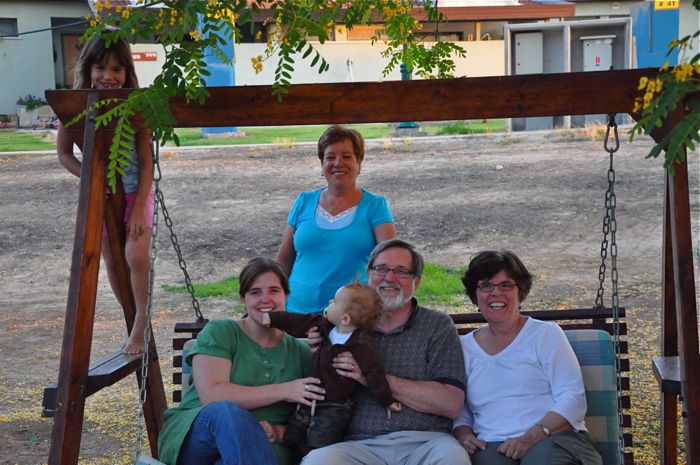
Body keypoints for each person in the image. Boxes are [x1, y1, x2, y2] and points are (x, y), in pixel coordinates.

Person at [301, 239, 470, 465]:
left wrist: (373, 377)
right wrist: (322, 349)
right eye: (381, 269)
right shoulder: (343, 326)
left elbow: (451, 404)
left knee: (452, 457)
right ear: (369, 274)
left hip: (427, 443)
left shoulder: (437, 325)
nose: (389, 278)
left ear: (416, 281)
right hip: (358, 446)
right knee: (318, 461)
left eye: (401, 271)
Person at [157, 258, 322, 465]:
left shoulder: (301, 353)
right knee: (227, 413)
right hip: (200, 437)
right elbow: (212, 395)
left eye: (273, 290)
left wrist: (279, 431)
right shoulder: (221, 332)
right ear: (243, 298)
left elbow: (320, 416)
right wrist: (285, 390)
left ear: (286, 295)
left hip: (266, 447)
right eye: (255, 292)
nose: (265, 299)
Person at [453, 251, 602, 465]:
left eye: (506, 285)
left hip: (552, 436)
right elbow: (461, 409)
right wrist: (464, 434)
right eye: (486, 286)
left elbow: (573, 398)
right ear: (474, 294)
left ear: (520, 291)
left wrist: (530, 437)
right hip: (491, 445)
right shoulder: (464, 347)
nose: (496, 293)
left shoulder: (545, 334)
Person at [56, 37, 153, 354]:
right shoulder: (75, 105)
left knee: (136, 255)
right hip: (101, 196)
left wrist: (138, 208)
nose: (108, 76)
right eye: (100, 68)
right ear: (88, 69)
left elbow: (146, 160)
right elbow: (65, 154)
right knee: (112, 259)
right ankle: (131, 316)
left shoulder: (136, 104)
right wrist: (92, 179)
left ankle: (142, 320)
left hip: (136, 192)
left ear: (127, 72)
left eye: (116, 69)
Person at [262, 282, 401, 454]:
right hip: (311, 396)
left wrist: (387, 401)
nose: (329, 302)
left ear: (345, 319)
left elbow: (375, 375)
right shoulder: (325, 326)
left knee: (320, 443)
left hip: (335, 406)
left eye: (334, 301)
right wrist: (272, 318)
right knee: (294, 433)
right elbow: (299, 320)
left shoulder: (361, 346)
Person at [276, 125, 397, 314]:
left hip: (350, 318)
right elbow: (283, 260)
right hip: (295, 313)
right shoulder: (303, 201)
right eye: (330, 157)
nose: (338, 163)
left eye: (347, 156)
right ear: (322, 163)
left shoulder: (375, 206)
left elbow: (391, 263)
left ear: (359, 162)